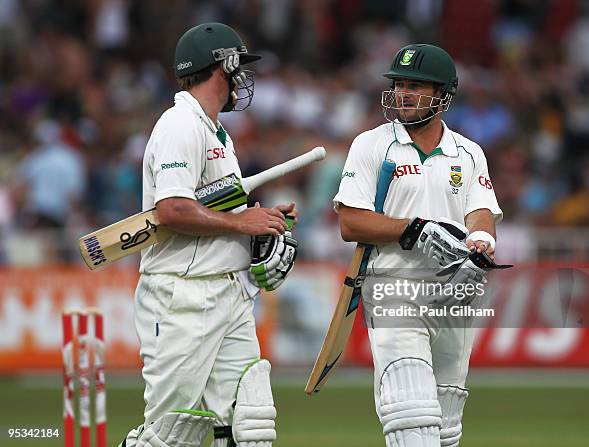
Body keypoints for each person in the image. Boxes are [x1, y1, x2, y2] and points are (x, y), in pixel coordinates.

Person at [121, 23, 297, 447]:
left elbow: (209, 208)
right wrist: (242, 223)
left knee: (250, 424)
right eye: (242, 67)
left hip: (230, 295)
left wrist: (259, 218)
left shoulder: (216, 131)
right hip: (183, 297)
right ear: (225, 65)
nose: (245, 79)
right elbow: (172, 209)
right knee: (171, 433)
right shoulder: (180, 124)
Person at [334, 44, 503, 447]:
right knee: (412, 414)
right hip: (394, 286)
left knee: (445, 425)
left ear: (442, 95)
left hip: (456, 291)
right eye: (400, 85)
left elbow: (481, 211)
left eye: (415, 86)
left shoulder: (468, 152)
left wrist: (481, 239)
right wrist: (413, 229)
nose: (403, 94)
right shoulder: (372, 145)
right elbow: (349, 221)